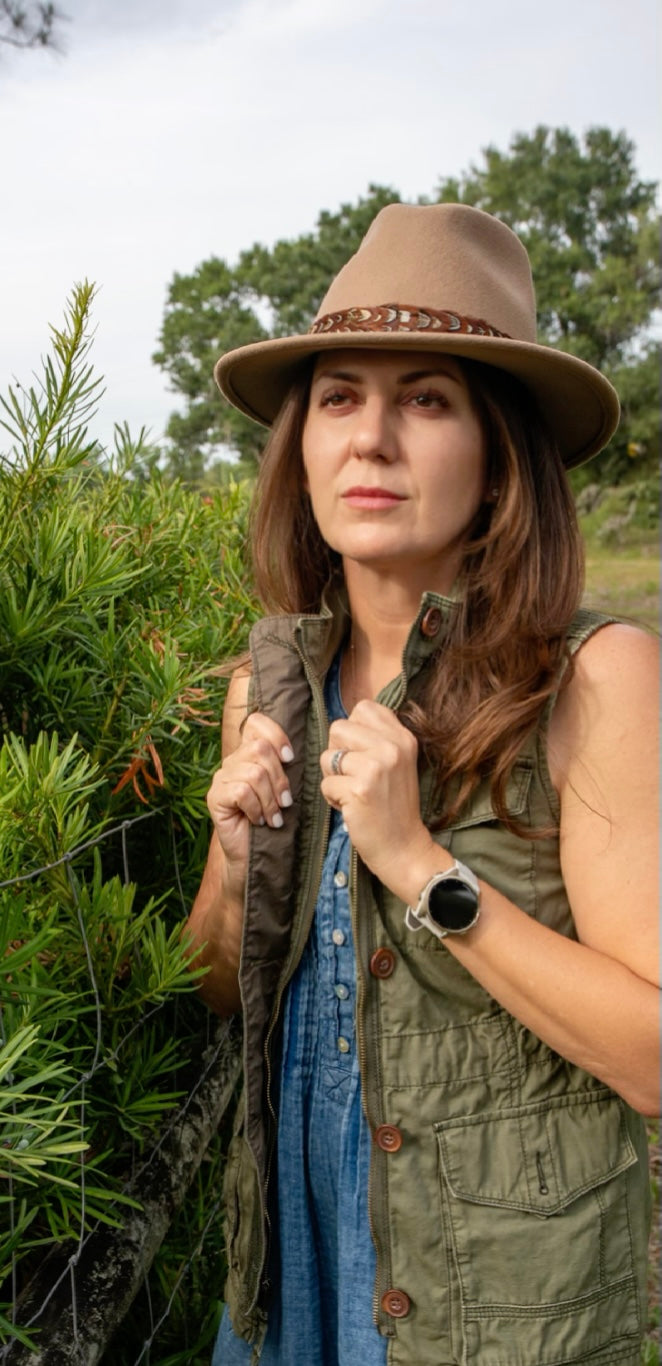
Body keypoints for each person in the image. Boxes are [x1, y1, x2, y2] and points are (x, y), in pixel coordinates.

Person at [183, 202, 659, 1366]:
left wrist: (423, 868)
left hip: (494, 1311)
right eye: (339, 396)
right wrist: (242, 864)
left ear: (500, 460)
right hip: (287, 1284)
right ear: (301, 444)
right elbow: (214, 985)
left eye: (427, 399)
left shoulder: (595, 681)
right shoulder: (272, 682)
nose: (371, 438)